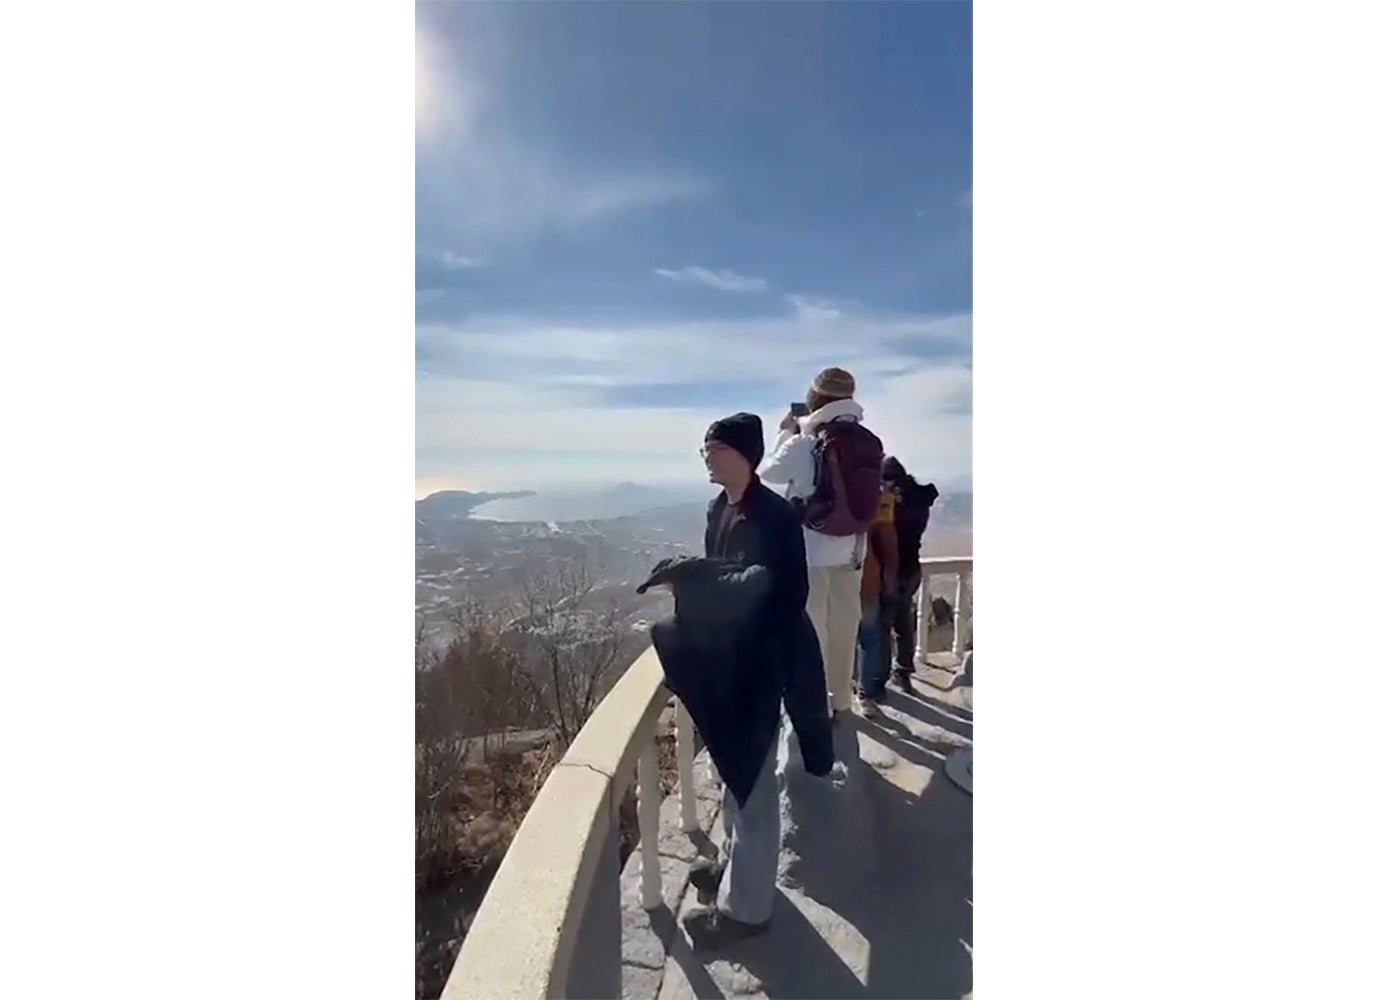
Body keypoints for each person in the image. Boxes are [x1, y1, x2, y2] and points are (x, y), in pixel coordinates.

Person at [640, 412, 834, 950]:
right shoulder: (719, 508)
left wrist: (702, 579)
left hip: (764, 664)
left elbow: (783, 596)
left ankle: (747, 910)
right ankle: (732, 865)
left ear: (742, 455)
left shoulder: (774, 517)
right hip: (733, 660)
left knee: (753, 784)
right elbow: (726, 577)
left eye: (714, 448)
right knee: (734, 773)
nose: (705, 455)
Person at [760, 367, 884, 720]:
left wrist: (787, 431)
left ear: (815, 399)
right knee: (846, 628)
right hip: (852, 549)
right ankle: (842, 701)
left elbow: (769, 473)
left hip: (811, 552)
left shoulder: (806, 443)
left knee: (812, 633)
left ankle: (816, 706)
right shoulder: (869, 440)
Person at [881, 456, 940, 689]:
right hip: (912, 568)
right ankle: (903, 672)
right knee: (903, 622)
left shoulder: (893, 502)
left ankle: (877, 679)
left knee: (882, 627)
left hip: (893, 568)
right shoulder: (919, 499)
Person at [854, 485, 899, 718]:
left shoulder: (824, 487)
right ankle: (865, 694)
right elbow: (888, 540)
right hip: (866, 576)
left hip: (855, 576)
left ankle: (857, 693)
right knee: (869, 638)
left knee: (864, 637)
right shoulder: (878, 497)